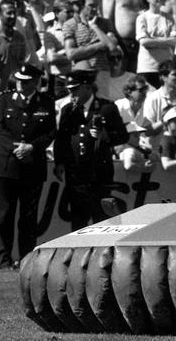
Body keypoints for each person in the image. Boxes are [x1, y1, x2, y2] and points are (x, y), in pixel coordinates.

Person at [0, 64, 55, 268]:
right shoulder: (4, 99)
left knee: (28, 217)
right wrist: (16, 148)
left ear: (35, 82)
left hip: (32, 165)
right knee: (4, 216)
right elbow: (0, 130)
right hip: (6, 165)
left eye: (26, 81)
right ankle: (2, 260)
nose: (20, 84)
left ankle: (27, 258)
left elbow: (50, 132)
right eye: (19, 80)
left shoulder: (45, 102)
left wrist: (32, 147)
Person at [53, 69, 129, 231]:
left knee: (101, 220)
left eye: (75, 90)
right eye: (70, 90)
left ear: (87, 88)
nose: (71, 94)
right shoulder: (68, 110)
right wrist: (59, 162)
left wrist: (106, 136)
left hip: (99, 174)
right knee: (78, 222)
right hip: (76, 175)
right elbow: (62, 138)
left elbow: (123, 136)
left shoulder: (106, 108)